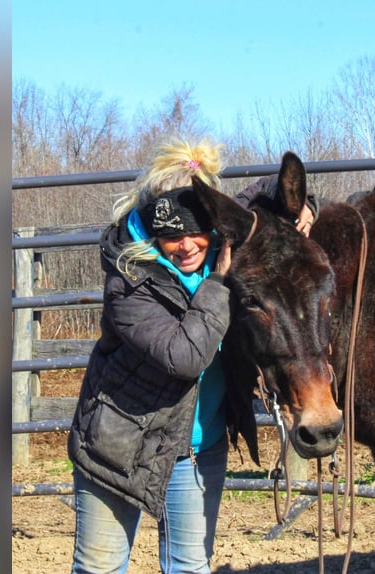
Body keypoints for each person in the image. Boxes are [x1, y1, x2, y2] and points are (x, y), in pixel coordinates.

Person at [67, 138, 316, 574]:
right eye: (169, 234)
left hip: (198, 448)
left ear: (214, 222)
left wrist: (301, 203)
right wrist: (218, 285)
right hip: (118, 448)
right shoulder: (127, 280)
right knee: (99, 569)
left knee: (190, 568)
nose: (185, 245)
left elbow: (260, 192)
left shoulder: (219, 234)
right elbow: (185, 355)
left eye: (195, 229)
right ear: (152, 229)